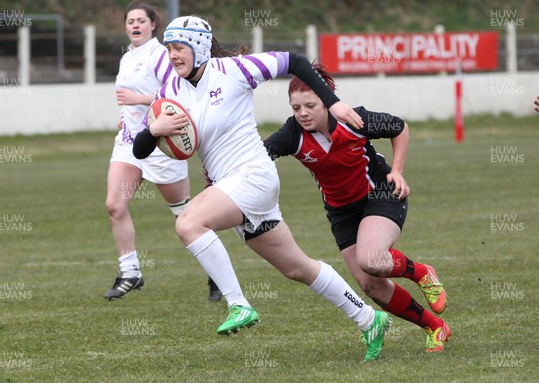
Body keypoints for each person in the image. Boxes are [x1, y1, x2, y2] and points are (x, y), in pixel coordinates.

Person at [133, 15, 391, 362]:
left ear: (198, 46)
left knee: (188, 223)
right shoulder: (170, 93)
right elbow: (139, 150)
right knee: (298, 268)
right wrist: (155, 128)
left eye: (178, 48)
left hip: (254, 176)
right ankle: (368, 318)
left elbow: (295, 61)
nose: (172, 56)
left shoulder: (235, 70)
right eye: (168, 49)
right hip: (230, 188)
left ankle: (238, 304)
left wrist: (333, 103)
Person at [263, 64, 451, 352]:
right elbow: (260, 155)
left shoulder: (353, 119)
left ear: (328, 101)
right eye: (296, 107)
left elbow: (398, 127)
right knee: (371, 285)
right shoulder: (293, 134)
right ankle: (435, 326)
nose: (303, 113)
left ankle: (422, 272)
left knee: (372, 259)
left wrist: (397, 171)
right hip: (341, 212)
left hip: (380, 193)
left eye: (311, 105)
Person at [104, 2, 221, 302]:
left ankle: (216, 273)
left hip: (160, 144)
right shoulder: (128, 57)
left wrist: (136, 99)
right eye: (130, 20)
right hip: (129, 141)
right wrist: (126, 114)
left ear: (153, 24)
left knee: (185, 216)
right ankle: (130, 272)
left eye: (141, 20)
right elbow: (133, 101)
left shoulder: (159, 54)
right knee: (115, 205)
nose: (135, 25)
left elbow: (174, 90)